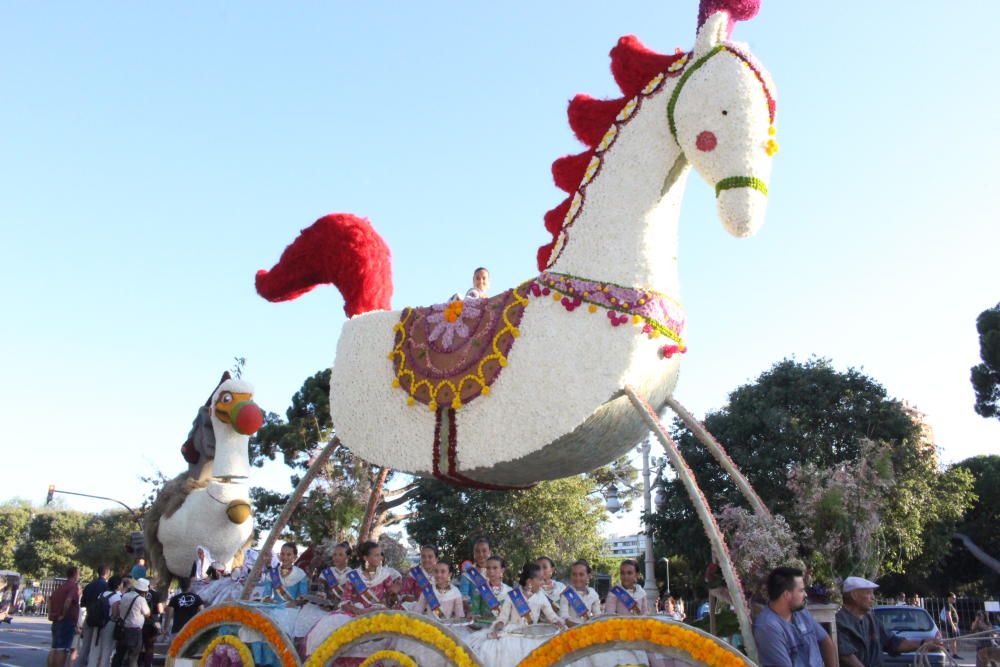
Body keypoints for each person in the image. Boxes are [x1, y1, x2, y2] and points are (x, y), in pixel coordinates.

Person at [468, 562, 567, 665]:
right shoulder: (512, 595)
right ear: (530, 582)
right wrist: (497, 629)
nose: (543, 582)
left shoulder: (541, 597)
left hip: (532, 633)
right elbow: (503, 618)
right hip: (512, 633)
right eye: (540, 579)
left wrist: (559, 624)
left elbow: (553, 617)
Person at [836, 576, 940, 667]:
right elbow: (846, 656)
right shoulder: (840, 622)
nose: (873, 598)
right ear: (854, 595)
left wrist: (923, 644)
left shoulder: (871, 619)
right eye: (868, 593)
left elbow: (894, 643)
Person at [752, 566, 836, 667]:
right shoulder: (768, 627)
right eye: (801, 591)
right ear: (786, 595)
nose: (805, 594)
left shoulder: (801, 612)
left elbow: (826, 641)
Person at [48, 565, 82, 667]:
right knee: (62, 649)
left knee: (54, 648)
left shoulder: (61, 587)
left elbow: (49, 600)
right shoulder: (73, 587)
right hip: (66, 620)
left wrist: (50, 614)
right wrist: (63, 613)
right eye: (79, 573)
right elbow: (68, 600)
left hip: (56, 619)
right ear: (75, 574)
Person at [77, 565, 111, 667]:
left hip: (89, 617)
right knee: (97, 647)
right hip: (100, 620)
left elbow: (82, 603)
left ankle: (81, 664)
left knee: (85, 646)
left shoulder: (89, 585)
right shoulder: (106, 586)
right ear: (107, 574)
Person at [113, 578, 150, 667]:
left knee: (119, 655)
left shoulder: (125, 595)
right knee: (133, 658)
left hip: (123, 629)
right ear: (144, 591)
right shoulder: (141, 599)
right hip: (135, 632)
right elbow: (147, 614)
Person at [88, 575, 124, 667]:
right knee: (106, 651)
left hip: (98, 623)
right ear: (118, 585)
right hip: (109, 624)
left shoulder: (102, 594)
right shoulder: (117, 597)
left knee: (95, 649)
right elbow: (115, 613)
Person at [469, 556, 512, 625]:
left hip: (504, 629)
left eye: (495, 568)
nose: (491, 571)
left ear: (502, 570)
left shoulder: (509, 591)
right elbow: (475, 614)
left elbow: (513, 616)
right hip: (482, 628)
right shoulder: (479, 589)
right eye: (488, 568)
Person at [558, 560, 601, 626]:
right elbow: (563, 618)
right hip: (570, 632)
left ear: (588, 576)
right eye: (574, 574)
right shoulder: (567, 593)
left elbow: (598, 617)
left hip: (588, 632)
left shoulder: (593, 594)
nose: (577, 578)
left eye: (581, 574)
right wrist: (581, 627)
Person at [459, 538, 493, 612]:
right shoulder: (467, 573)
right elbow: (463, 597)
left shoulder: (495, 571)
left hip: (493, 616)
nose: (481, 554)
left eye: (484, 551)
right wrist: (473, 611)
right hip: (474, 616)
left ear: (490, 552)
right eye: (477, 551)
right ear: (473, 553)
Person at [401, 545, 439, 609]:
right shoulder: (414, 574)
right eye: (423, 557)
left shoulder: (441, 574)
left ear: (436, 559)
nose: (426, 559)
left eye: (430, 557)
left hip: (438, 612)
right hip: (417, 611)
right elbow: (403, 595)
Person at [939, 592, 961, 658]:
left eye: (955, 598)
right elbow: (948, 615)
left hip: (954, 624)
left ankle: (951, 651)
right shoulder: (948, 605)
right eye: (953, 598)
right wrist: (952, 625)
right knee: (953, 639)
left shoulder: (950, 605)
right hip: (952, 625)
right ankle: (954, 654)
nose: (955, 599)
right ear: (949, 598)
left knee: (954, 639)